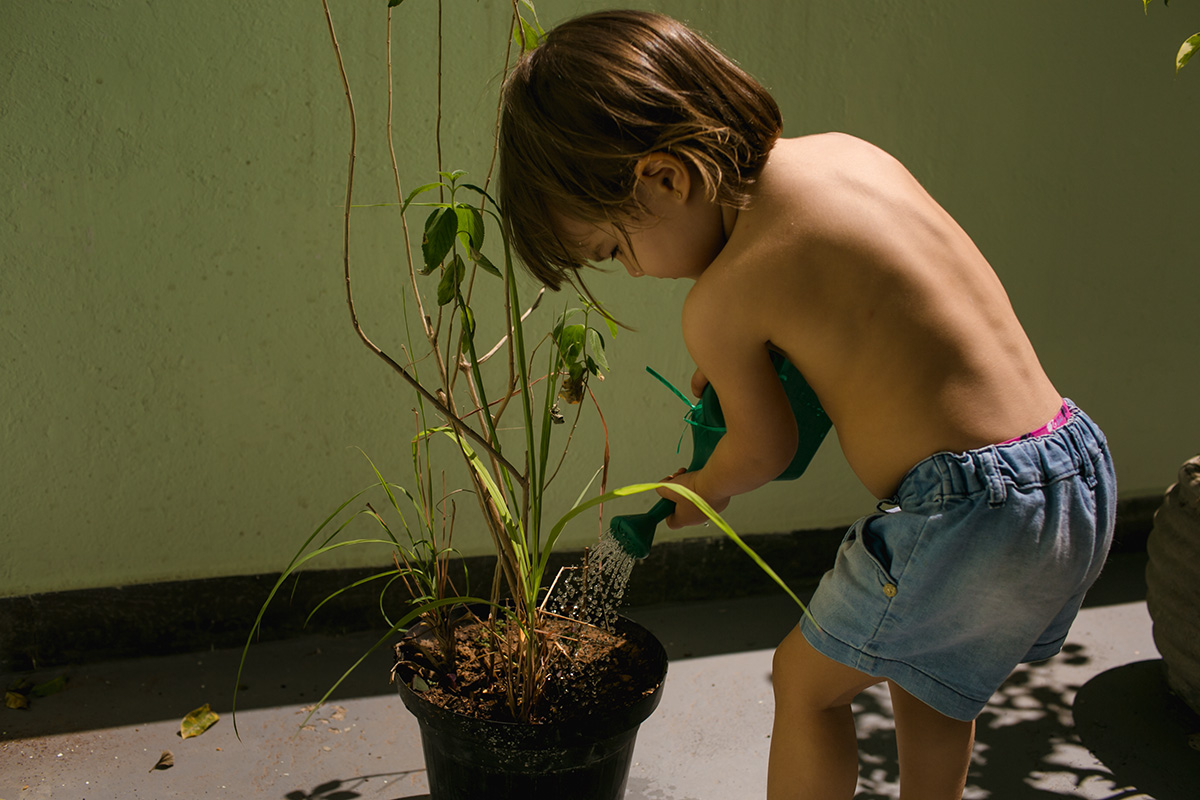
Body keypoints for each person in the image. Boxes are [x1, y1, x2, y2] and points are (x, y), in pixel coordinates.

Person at [498, 9, 1117, 800]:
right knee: (926, 675)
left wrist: (703, 487)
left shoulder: (721, 301)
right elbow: (877, 318)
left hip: (970, 511)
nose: (636, 273)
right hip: (1072, 467)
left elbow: (768, 449)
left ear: (664, 177)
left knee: (804, 684)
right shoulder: (850, 156)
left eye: (614, 250)